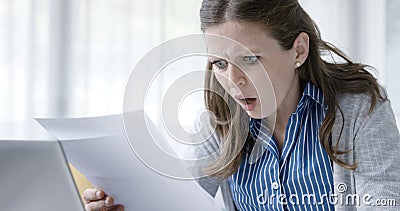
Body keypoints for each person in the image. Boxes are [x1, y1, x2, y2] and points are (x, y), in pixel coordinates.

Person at [84, 0, 400, 210]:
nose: (233, 81)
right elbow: (177, 203)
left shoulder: (359, 109)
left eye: (249, 59)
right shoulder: (217, 121)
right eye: (220, 64)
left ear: (298, 51)